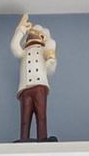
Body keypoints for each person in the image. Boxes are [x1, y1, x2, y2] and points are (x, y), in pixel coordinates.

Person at [12, 14, 56, 142]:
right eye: (32, 33)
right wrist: (20, 30)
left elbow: (50, 69)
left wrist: (51, 61)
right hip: (25, 88)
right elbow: (15, 47)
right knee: (25, 118)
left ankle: (42, 138)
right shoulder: (24, 52)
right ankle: (24, 139)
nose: (33, 35)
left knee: (41, 115)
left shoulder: (43, 51)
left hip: (40, 87)